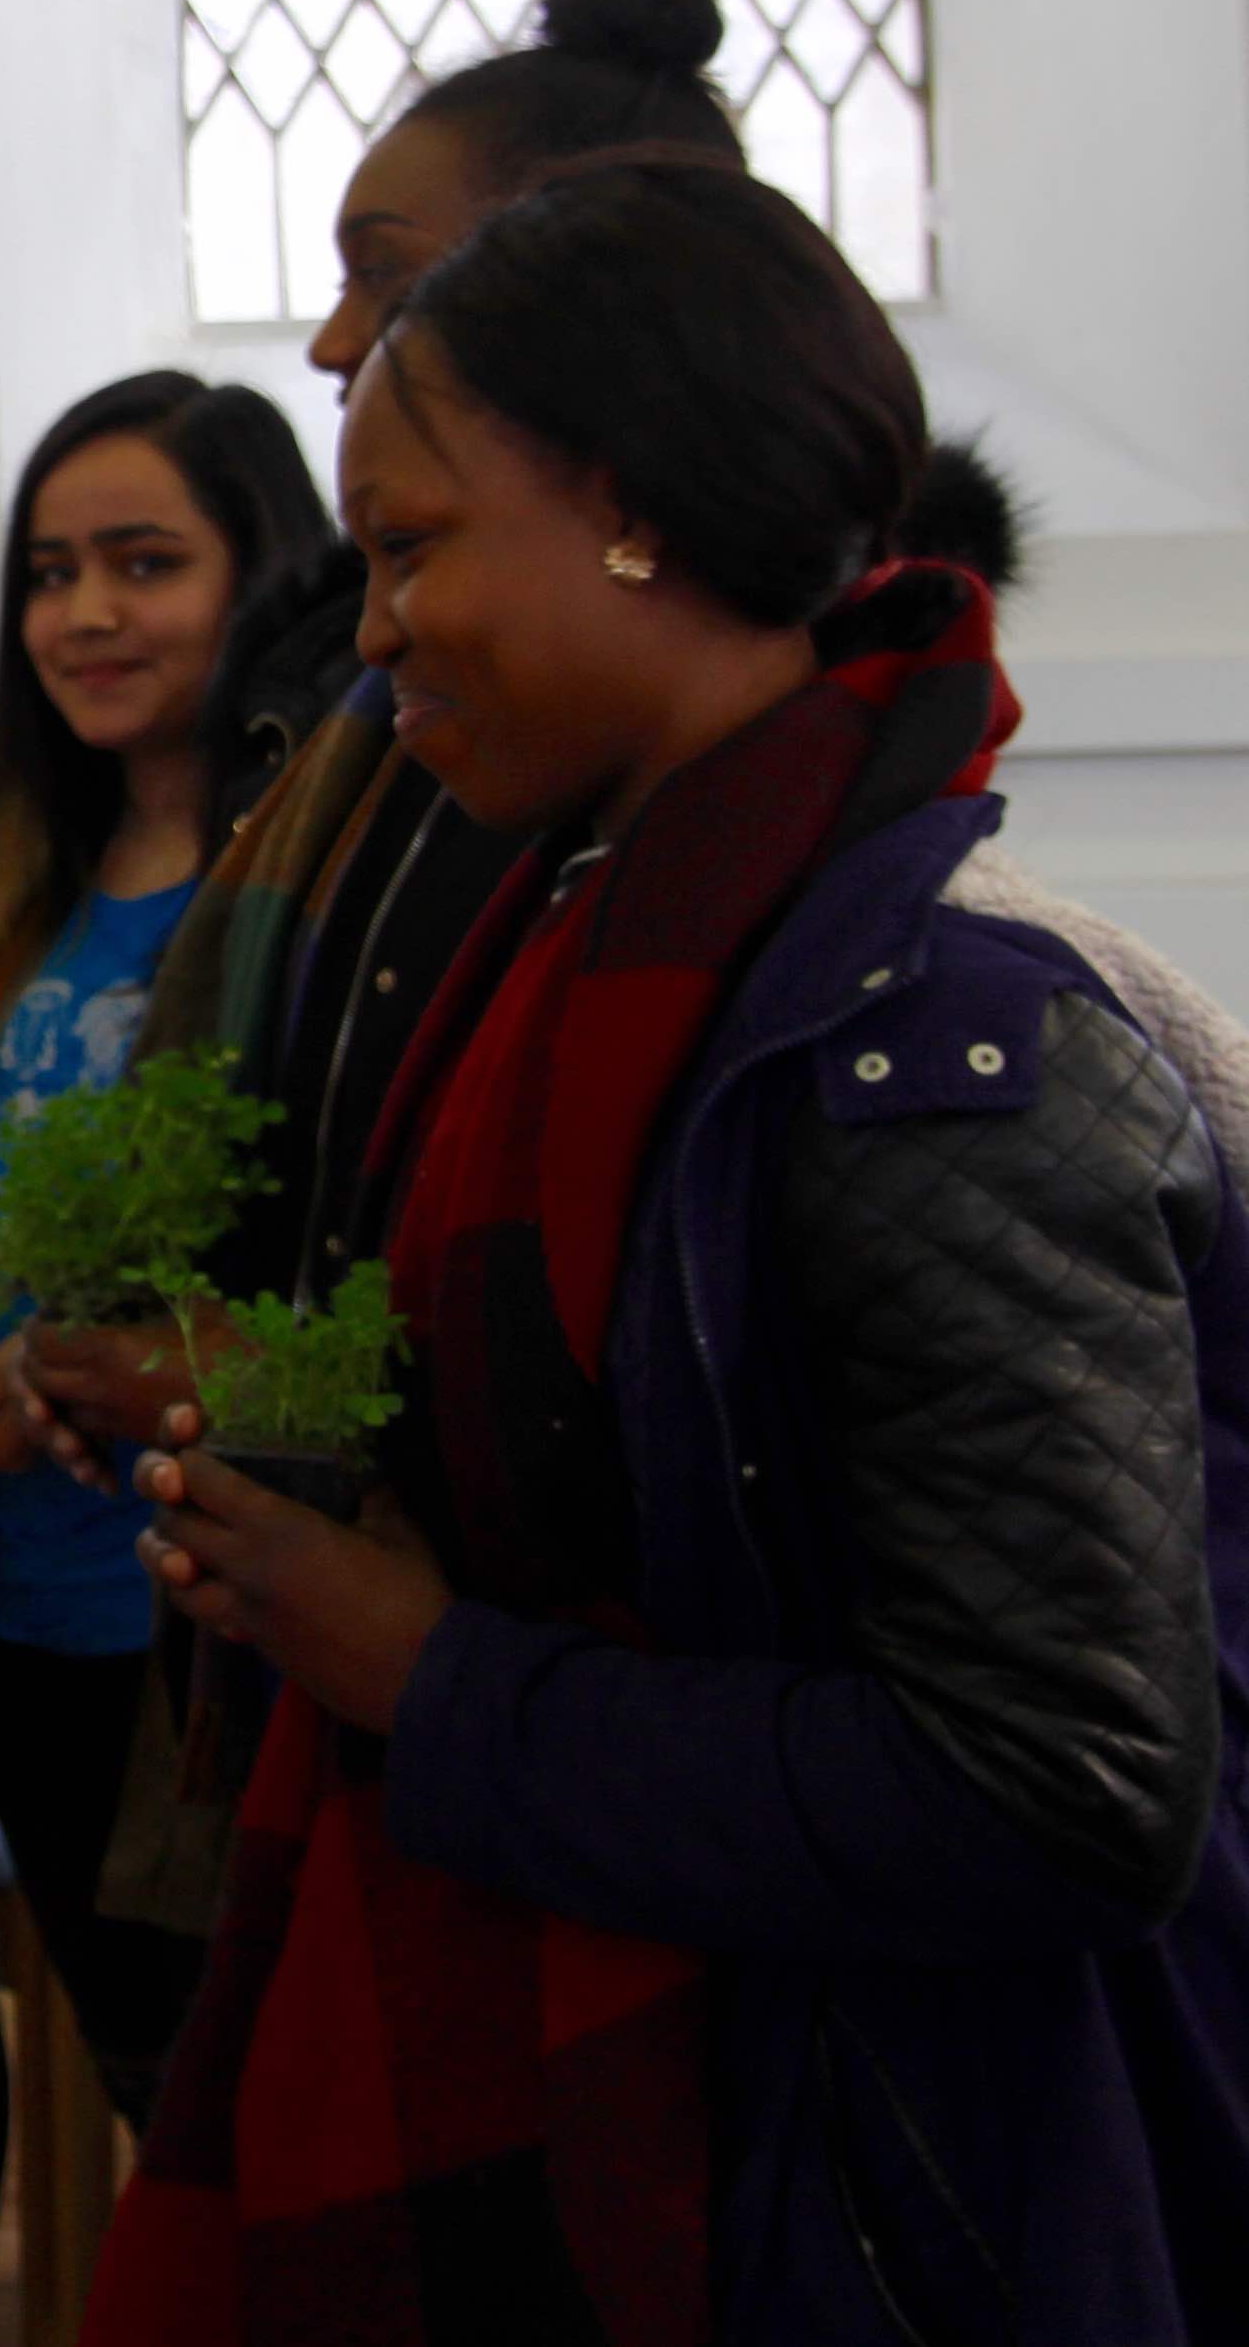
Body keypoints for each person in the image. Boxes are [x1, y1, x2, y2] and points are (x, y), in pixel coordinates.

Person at [91, 150, 1249, 2346]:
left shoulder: (937, 1049)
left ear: (636, 507)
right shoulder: (591, 937)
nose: (379, 628)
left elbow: (1063, 1792)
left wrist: (431, 1676)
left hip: (901, 2174)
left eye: (415, 549)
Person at [25, 0, 1249, 1488]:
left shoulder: (934, 1007)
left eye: (385, 274)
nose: (336, 342)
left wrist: (420, 1650)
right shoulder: (485, 773)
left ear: (616, 310)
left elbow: (1038, 1704)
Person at [0, 375, 334, 2141]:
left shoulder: (321, 882)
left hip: (225, 1626)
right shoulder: (12, 878)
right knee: (159, 2105)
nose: (87, 613)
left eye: (146, 561)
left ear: (264, 575)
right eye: (51, 571)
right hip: (19, 1610)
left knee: (271, 2129)